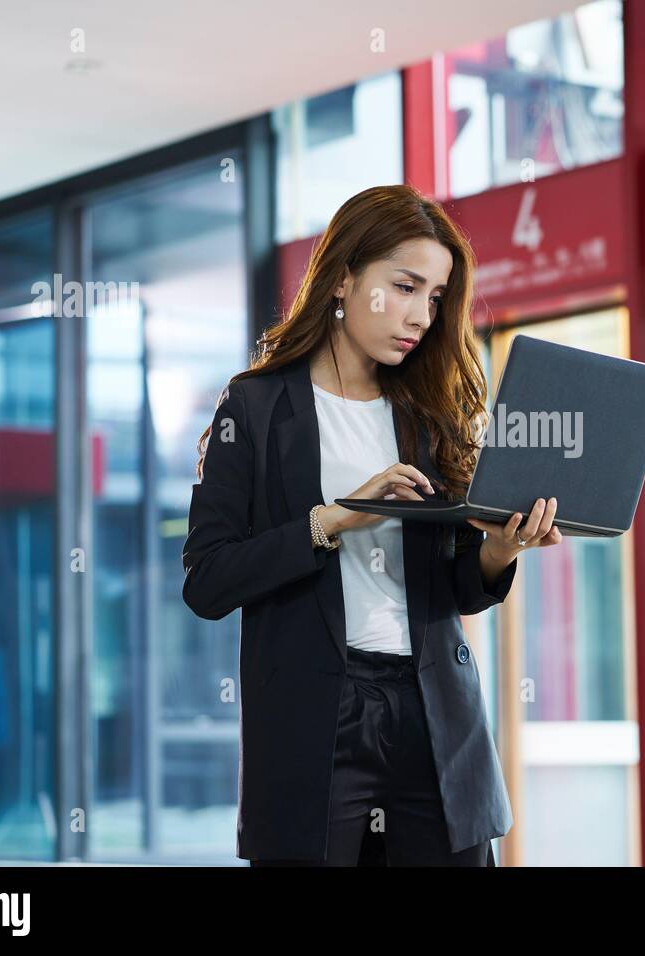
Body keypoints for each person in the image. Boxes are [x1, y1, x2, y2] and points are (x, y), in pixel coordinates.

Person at [182, 183, 562, 866]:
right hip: (316, 722)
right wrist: (337, 518)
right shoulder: (256, 407)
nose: (420, 314)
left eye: (436, 297)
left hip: (434, 716)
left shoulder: (428, 412)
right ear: (345, 277)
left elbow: (454, 591)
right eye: (406, 286)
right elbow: (207, 581)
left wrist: (498, 554)